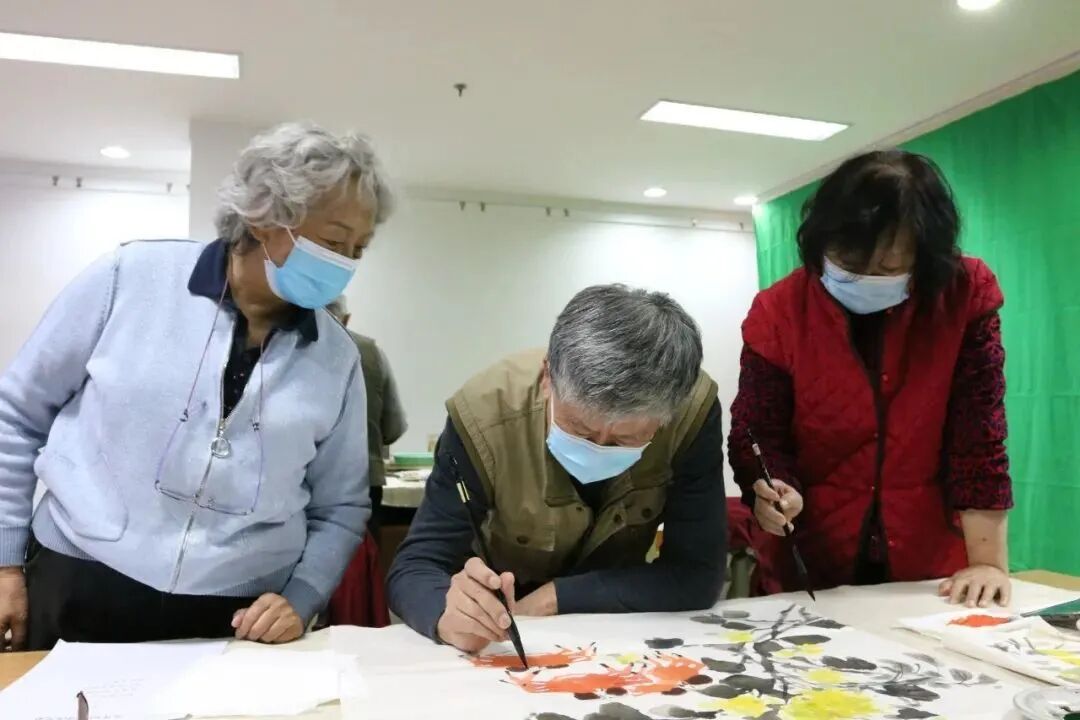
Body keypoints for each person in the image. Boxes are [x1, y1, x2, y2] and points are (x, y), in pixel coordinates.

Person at [0, 121, 394, 650]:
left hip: (236, 614)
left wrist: (302, 597)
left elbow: (341, 508)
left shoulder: (337, 358)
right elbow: (16, 415)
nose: (345, 265)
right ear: (264, 217)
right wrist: (4, 561)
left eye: (359, 250)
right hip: (80, 579)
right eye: (333, 242)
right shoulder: (130, 278)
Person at [728, 149, 1012, 608]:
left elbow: (979, 434)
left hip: (927, 558)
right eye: (846, 260)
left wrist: (988, 564)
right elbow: (757, 429)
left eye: (885, 270)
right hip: (813, 557)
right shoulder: (779, 311)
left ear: (925, 256)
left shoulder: (963, 295)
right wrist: (771, 487)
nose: (861, 277)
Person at [388, 284, 727, 652]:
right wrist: (448, 613)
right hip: (503, 629)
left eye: (625, 439)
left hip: (618, 633)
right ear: (548, 377)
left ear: (669, 414)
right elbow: (415, 566)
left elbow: (697, 573)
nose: (598, 447)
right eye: (579, 429)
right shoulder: (483, 415)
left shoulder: (690, 410)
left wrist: (556, 597)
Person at [326, 295, 408, 530]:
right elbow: (394, 428)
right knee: (362, 550)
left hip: (299, 484)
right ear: (346, 319)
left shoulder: (286, 348)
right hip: (364, 481)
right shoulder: (371, 353)